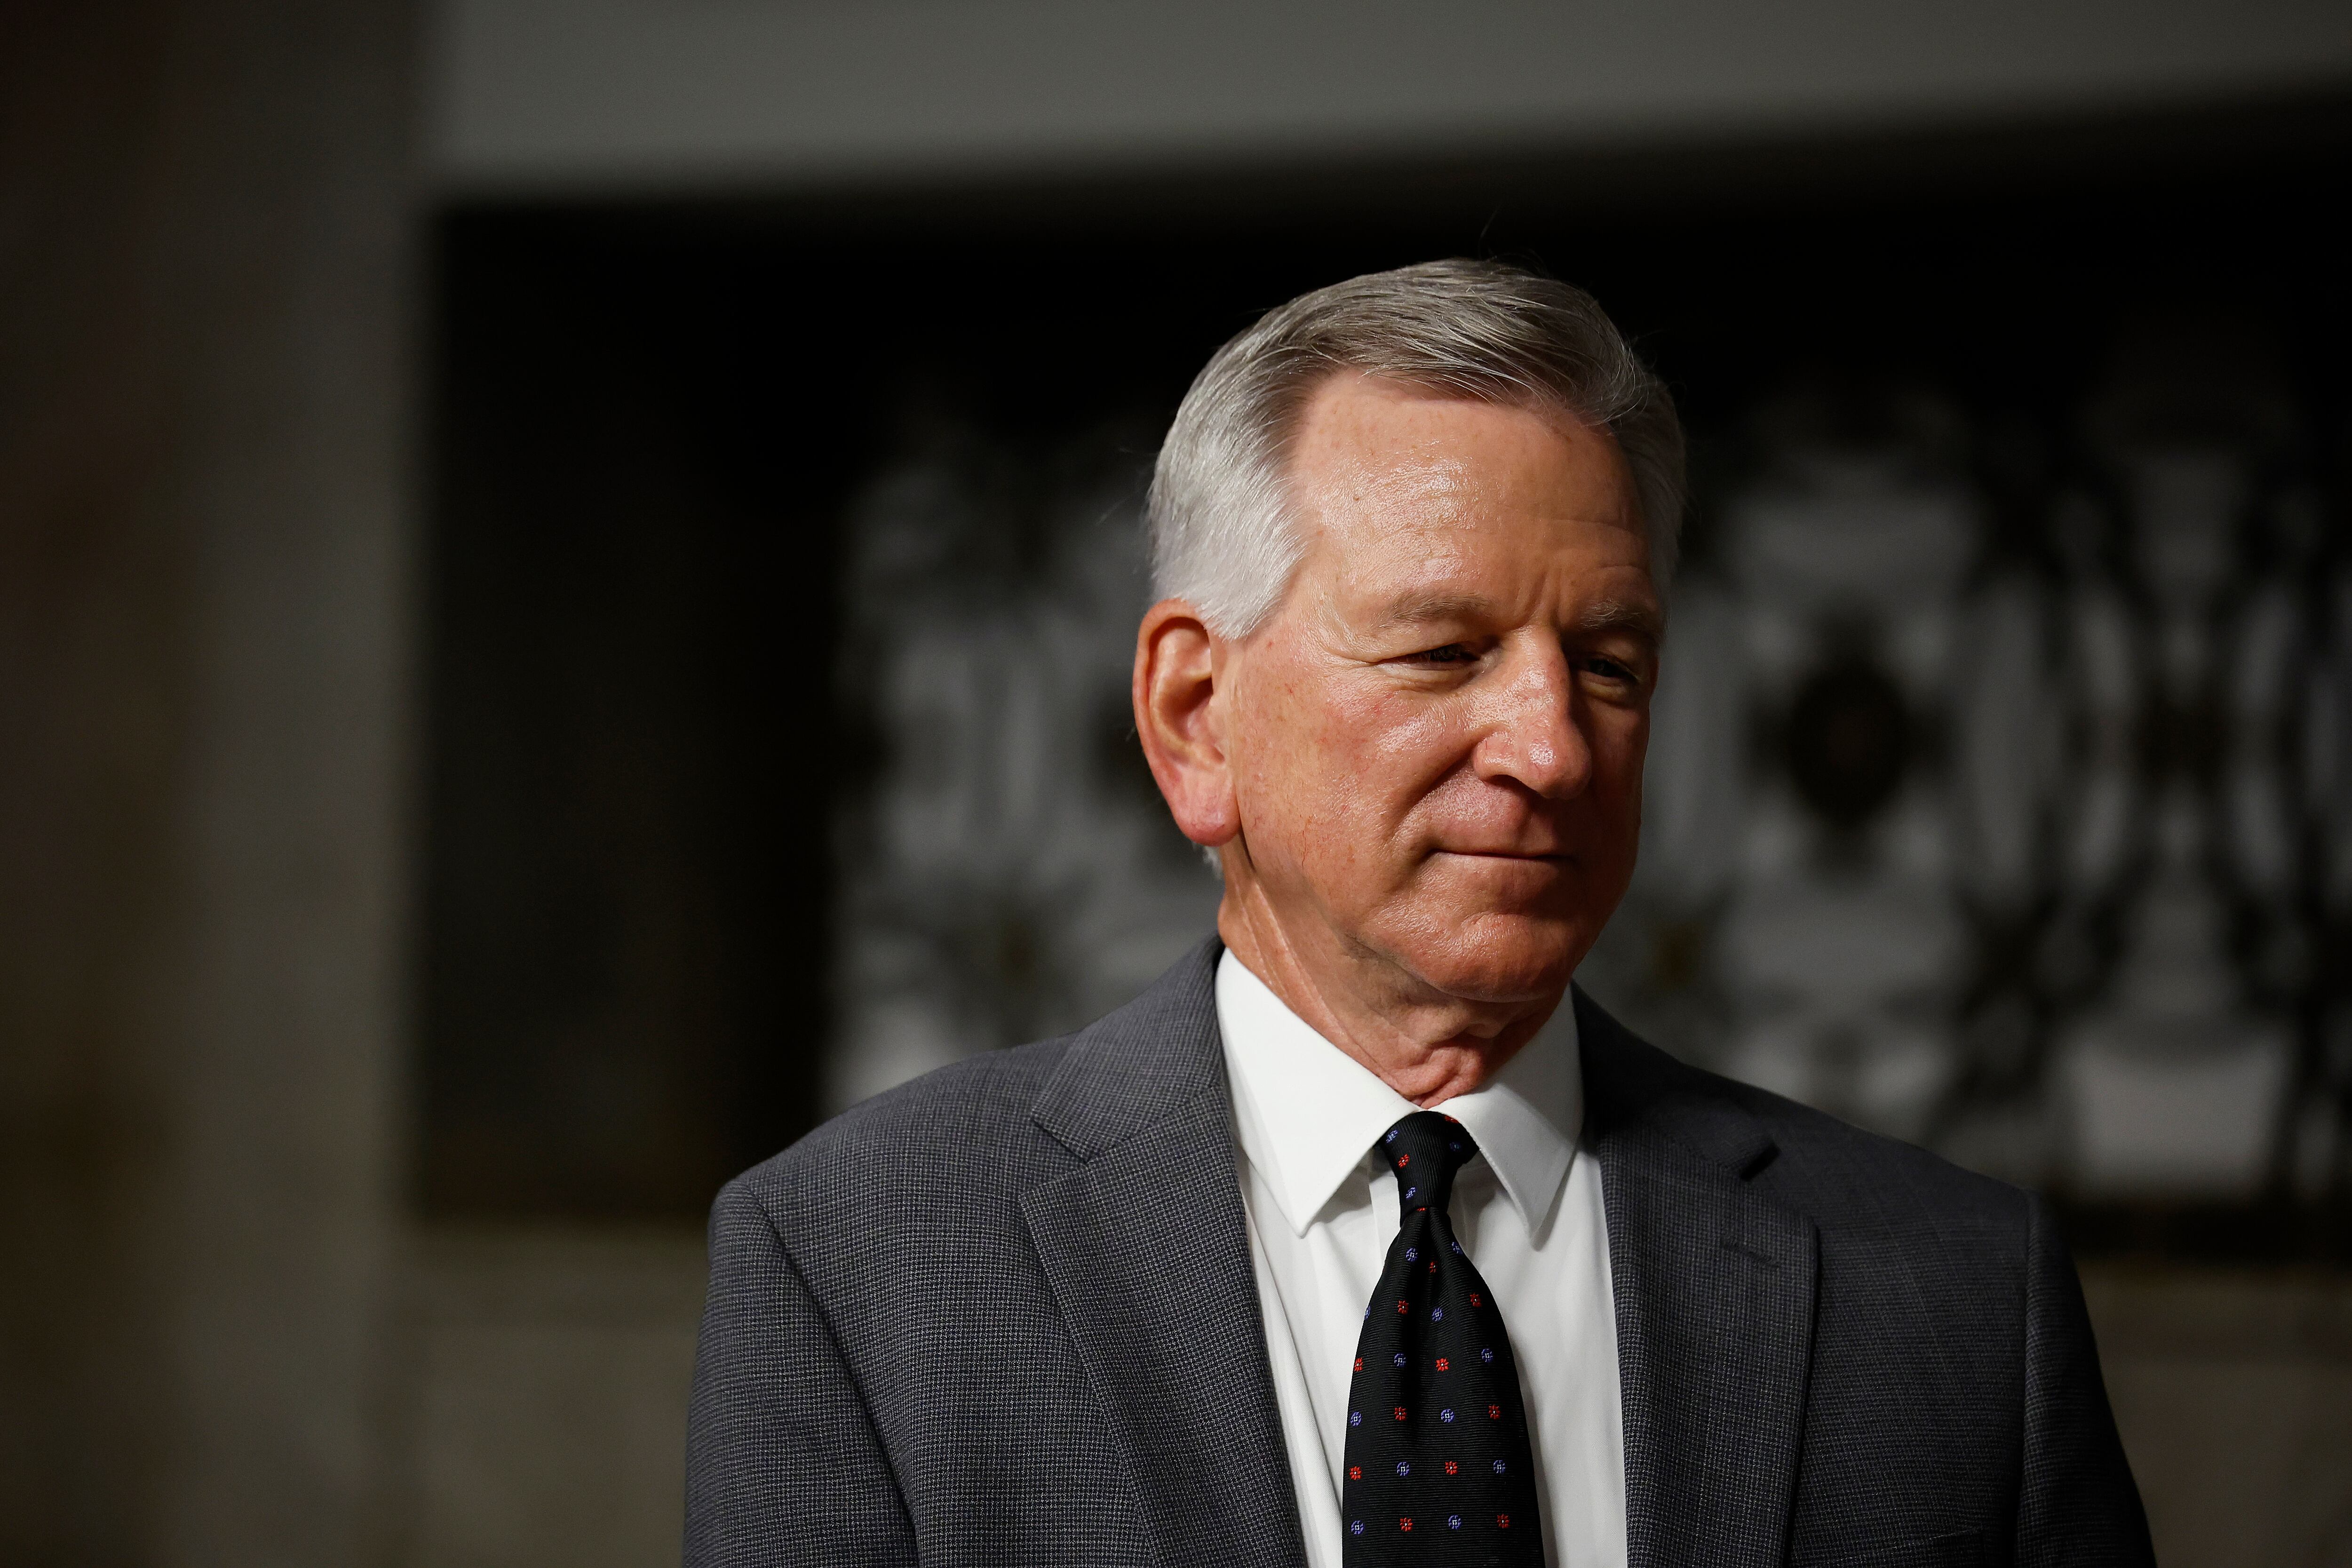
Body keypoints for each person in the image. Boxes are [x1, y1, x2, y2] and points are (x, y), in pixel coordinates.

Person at [684, 260, 2153, 1568]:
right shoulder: (856, 1266)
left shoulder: (1958, 1295)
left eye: (1612, 664)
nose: (1554, 746)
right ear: (1198, 719)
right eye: (1446, 652)